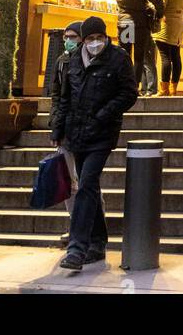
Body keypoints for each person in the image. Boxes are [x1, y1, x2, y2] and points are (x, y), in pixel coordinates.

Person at [52, 15, 138, 271]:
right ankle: (98, 242)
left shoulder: (118, 58)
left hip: (102, 133)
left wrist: (104, 114)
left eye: (99, 38)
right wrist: (58, 128)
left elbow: (129, 93)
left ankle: (77, 247)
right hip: (76, 133)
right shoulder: (73, 60)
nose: (95, 43)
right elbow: (64, 96)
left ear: (106, 36)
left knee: (87, 183)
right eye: (90, 38)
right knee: (90, 186)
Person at [50, 20, 83, 246]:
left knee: (86, 181)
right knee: (69, 182)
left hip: (84, 130)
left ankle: (88, 226)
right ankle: (74, 225)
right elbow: (56, 96)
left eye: (73, 37)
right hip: (64, 129)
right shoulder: (61, 61)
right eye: (66, 37)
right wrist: (55, 125)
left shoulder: (87, 61)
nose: (68, 41)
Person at [116, 0, 163, 94]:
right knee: (138, 57)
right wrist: (159, 13)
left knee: (124, 55)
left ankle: (122, 84)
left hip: (125, 23)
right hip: (139, 25)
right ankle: (134, 86)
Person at [139, 0, 163, 97]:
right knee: (145, 59)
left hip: (142, 29)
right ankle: (147, 88)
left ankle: (148, 88)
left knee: (145, 60)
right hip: (146, 30)